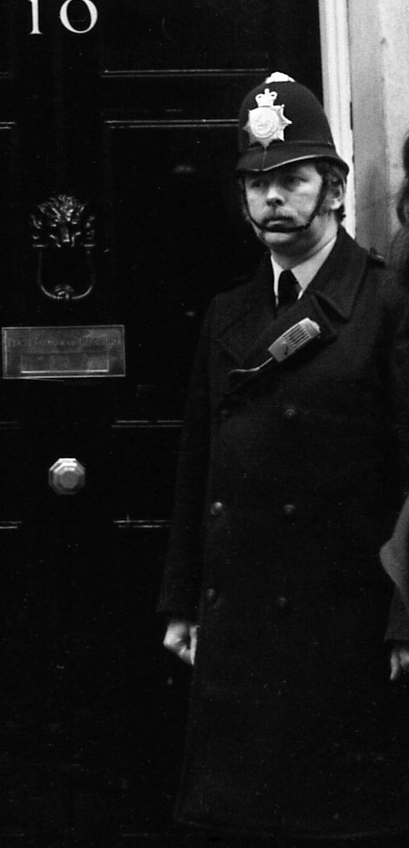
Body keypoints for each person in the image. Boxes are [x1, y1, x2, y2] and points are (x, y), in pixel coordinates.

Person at [157, 71, 409, 843]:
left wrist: (406, 614)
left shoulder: (386, 301)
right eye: (256, 183)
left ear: (332, 190)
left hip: (347, 625)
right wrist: (181, 599)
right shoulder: (229, 313)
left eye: (291, 179)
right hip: (239, 633)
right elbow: (199, 466)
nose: (271, 198)